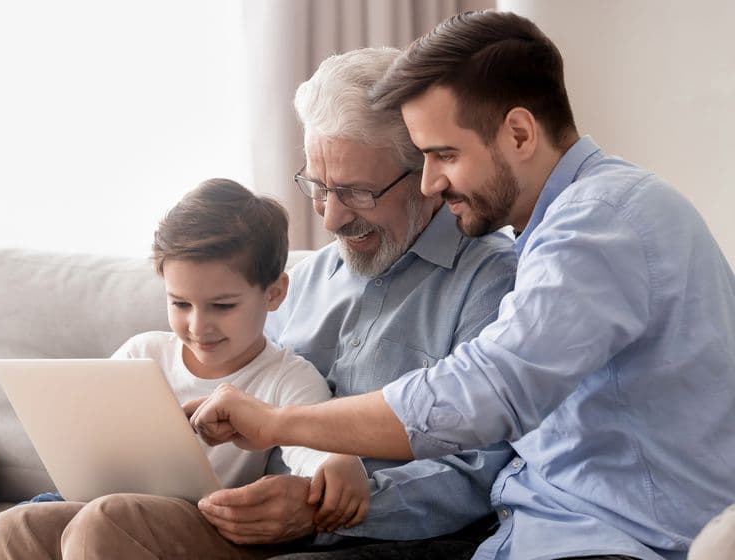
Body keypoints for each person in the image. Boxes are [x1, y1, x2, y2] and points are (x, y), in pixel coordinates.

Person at [186, 10, 735, 560]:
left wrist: (280, 424)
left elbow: (482, 394)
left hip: (617, 541)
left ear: (519, 134)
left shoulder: (600, 220)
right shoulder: (564, 225)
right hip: (534, 531)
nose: (431, 183)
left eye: (445, 154)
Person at [0, 46, 519, 559]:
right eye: (318, 187)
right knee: (15, 529)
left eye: (357, 192)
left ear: (425, 175)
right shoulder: (310, 278)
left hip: (351, 535)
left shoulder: (489, 281)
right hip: (220, 510)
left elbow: (482, 470)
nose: (330, 219)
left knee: (106, 524)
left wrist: (323, 507)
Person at [0, 179, 371, 559]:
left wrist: (336, 462)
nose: (198, 326)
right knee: (15, 525)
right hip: (119, 506)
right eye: (180, 304)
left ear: (274, 294)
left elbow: (314, 448)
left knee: (105, 519)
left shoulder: (286, 376)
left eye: (222, 306)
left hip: (215, 527)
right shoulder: (142, 353)